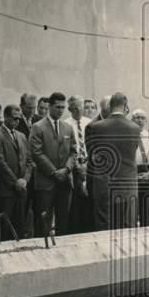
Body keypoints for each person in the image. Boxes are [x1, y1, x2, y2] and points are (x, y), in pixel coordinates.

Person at [86, 92, 140, 231]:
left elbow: (92, 156)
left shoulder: (95, 127)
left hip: (104, 185)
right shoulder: (134, 128)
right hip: (128, 186)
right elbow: (132, 152)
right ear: (125, 106)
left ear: (110, 106)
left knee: (104, 227)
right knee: (127, 228)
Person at [30, 92, 78, 238]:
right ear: (50, 106)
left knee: (63, 222)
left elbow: (73, 151)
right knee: (43, 222)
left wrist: (67, 169)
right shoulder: (38, 127)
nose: (60, 110)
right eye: (57, 107)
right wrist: (54, 172)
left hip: (64, 182)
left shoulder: (67, 128)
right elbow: (36, 153)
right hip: (46, 182)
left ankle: (62, 248)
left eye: (63, 107)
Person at [0, 104, 33, 241]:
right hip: (5, 191)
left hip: (21, 191)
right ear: (6, 117)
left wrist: (25, 180)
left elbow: (29, 161)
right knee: (4, 231)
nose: (17, 121)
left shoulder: (22, 136)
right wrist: (15, 182)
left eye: (19, 119)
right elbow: (0, 163)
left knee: (19, 230)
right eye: (14, 118)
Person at [64, 95, 92, 235]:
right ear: (69, 109)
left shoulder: (89, 123)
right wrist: (76, 166)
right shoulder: (66, 124)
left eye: (80, 107)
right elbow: (67, 149)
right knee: (75, 203)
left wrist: (88, 164)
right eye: (74, 108)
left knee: (89, 201)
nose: (78, 110)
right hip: (74, 167)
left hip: (89, 165)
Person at [131, 109, 149, 227]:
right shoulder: (128, 135)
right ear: (132, 120)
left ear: (145, 121)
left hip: (147, 171)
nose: (140, 120)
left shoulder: (148, 135)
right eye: (137, 117)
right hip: (133, 172)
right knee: (133, 210)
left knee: (146, 209)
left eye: (142, 118)